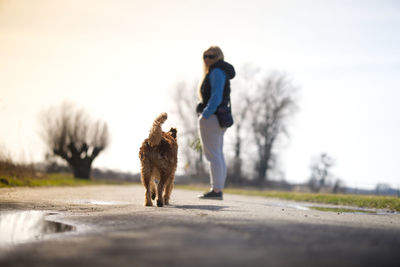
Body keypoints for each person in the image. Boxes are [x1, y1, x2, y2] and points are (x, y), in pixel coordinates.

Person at [196, 46, 235, 200]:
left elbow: (216, 97)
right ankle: (217, 189)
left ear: (218, 57)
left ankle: (217, 190)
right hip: (217, 118)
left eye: (211, 56)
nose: (207, 59)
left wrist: (205, 114)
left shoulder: (217, 72)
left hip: (212, 118)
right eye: (205, 56)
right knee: (217, 153)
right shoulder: (218, 71)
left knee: (213, 155)